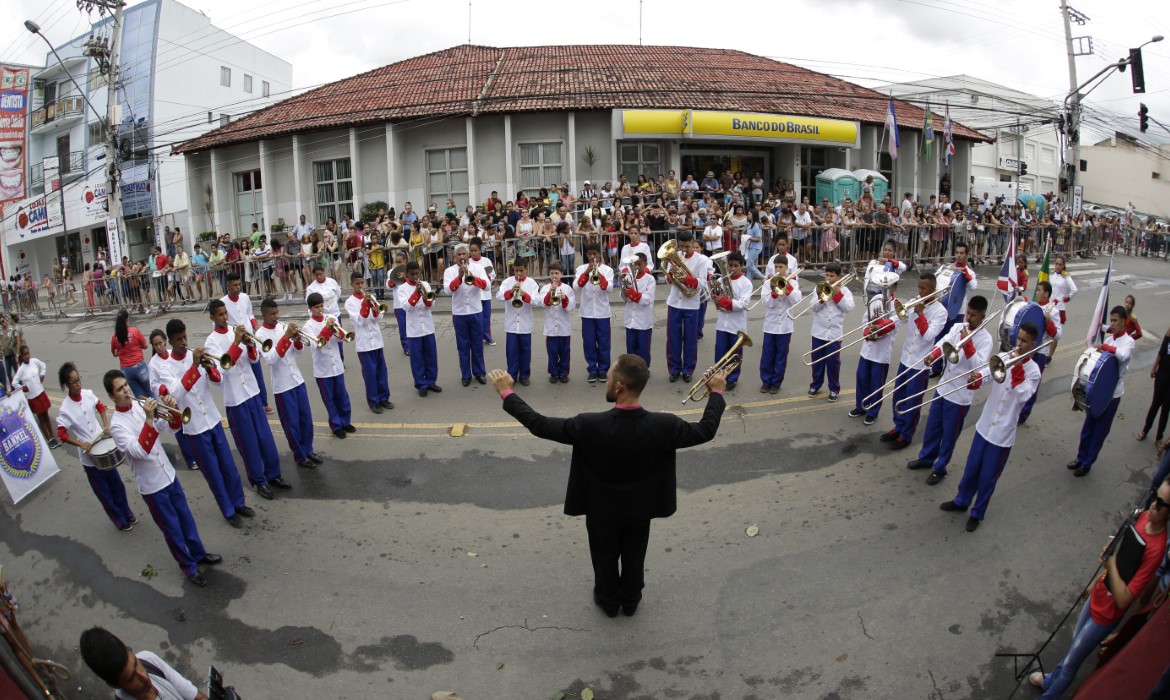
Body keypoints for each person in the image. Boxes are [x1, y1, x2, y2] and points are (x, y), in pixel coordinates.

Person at [490, 354, 727, 617]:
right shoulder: (665, 425)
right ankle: (631, 599)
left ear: (619, 387)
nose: (606, 381)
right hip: (640, 509)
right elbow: (706, 430)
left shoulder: (589, 425)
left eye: (610, 377)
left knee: (604, 558)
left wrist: (506, 392)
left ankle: (608, 600)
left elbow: (539, 424)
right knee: (635, 556)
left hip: (601, 510)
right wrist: (716, 392)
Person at [1027, 479, 1170, 698]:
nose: (1153, 505)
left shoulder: (1157, 548)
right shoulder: (1141, 518)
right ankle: (1050, 681)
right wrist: (1098, 580)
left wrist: (1111, 565)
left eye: (1161, 503)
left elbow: (1124, 600)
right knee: (1074, 642)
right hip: (1101, 593)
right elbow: (1120, 556)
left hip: (1108, 613)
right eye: (1155, 497)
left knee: (1071, 663)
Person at [104, 370, 220, 586]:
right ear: (111, 396)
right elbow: (139, 451)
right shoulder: (118, 426)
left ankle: (199, 553)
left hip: (168, 474)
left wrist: (173, 410)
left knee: (186, 518)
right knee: (172, 529)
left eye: (126, 386)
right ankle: (189, 567)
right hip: (152, 486)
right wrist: (149, 417)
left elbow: (167, 427)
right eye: (119, 389)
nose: (126, 391)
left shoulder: (139, 405)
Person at [940, 322, 1042, 531]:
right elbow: (988, 374)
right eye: (1018, 339)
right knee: (972, 468)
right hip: (985, 425)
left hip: (1002, 434)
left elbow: (1023, 395)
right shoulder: (1005, 357)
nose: (1019, 344)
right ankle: (961, 501)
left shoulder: (1034, 372)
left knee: (988, 477)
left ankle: (977, 512)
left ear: (1033, 344)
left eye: (1024, 341)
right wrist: (976, 379)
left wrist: (1018, 370)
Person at [159, 320, 253, 527]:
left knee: (228, 465)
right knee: (213, 473)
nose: (184, 342)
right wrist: (194, 366)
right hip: (194, 428)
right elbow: (176, 393)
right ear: (170, 342)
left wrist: (210, 369)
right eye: (179, 340)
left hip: (212, 419)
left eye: (185, 337)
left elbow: (218, 382)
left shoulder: (199, 357)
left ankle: (239, 502)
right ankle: (228, 510)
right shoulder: (166, 368)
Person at [203, 300, 289, 499]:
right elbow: (223, 367)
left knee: (265, 437)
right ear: (212, 318)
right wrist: (236, 343)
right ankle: (258, 481)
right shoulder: (211, 342)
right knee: (248, 443)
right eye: (220, 315)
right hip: (235, 399)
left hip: (252, 391)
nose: (225, 317)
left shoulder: (237, 332)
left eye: (226, 313)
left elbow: (254, 359)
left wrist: (250, 345)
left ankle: (273, 474)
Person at [906, 296, 993, 484]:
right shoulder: (958, 328)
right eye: (968, 313)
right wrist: (933, 355)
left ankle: (940, 467)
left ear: (982, 317)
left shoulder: (986, 339)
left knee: (949, 435)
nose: (968, 318)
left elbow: (979, 366)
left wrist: (967, 344)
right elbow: (943, 342)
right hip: (943, 386)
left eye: (973, 315)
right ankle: (926, 458)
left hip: (960, 395)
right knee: (932, 426)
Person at [56, 363, 136, 531]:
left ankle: (127, 512)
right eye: (74, 382)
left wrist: (105, 425)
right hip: (89, 457)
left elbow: (100, 407)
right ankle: (119, 520)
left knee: (117, 484)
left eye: (79, 379)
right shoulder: (65, 409)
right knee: (104, 491)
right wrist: (80, 443)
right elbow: (62, 435)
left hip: (103, 447)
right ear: (66, 385)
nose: (79, 384)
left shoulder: (88, 394)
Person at [883, 273, 947, 450]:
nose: (920, 291)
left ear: (933, 290)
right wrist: (882, 326)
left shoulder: (941, 311)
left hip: (920, 364)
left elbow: (929, 336)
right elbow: (899, 320)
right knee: (898, 396)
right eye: (919, 287)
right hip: (905, 358)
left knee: (912, 401)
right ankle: (898, 426)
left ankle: (906, 435)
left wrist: (920, 314)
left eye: (924, 288)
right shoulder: (914, 301)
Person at [1069, 306, 1135, 477]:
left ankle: (1087, 463)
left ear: (1123, 321)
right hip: (1099, 392)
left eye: (1115, 321)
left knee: (1099, 431)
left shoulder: (1128, 341)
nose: (1112, 324)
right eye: (1111, 320)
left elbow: (1123, 355)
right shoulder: (1111, 339)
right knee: (1088, 427)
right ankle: (1080, 457)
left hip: (1112, 395)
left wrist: (1106, 347)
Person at [255, 299, 322, 468]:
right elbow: (270, 359)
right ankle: (299, 455)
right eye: (272, 314)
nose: (276, 316)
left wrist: (297, 339)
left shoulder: (282, 327)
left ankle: (308, 449)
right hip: (282, 386)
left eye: (277, 313)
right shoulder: (260, 335)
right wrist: (286, 338)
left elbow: (298, 352)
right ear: (264, 314)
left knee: (306, 419)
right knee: (292, 425)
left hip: (297, 380)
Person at [80, 626, 211, 699]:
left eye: (136, 664)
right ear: (115, 685)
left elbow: (196, 696)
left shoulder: (148, 660)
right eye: (132, 678)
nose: (144, 677)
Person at [302, 292, 357, 437]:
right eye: (317, 307)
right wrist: (327, 329)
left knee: (342, 396)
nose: (320, 309)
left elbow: (341, 339)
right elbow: (316, 345)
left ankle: (345, 421)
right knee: (330, 399)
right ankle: (336, 425)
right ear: (310, 308)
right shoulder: (308, 326)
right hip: (323, 369)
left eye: (321, 306)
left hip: (337, 366)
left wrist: (339, 332)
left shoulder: (331, 318)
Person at [220, 272, 273, 415]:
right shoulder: (223, 302)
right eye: (235, 285)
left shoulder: (245, 297)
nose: (238, 287)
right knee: (243, 374)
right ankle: (250, 402)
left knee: (258, 373)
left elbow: (250, 315)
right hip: (237, 342)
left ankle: (264, 402)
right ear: (228, 286)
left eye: (239, 284)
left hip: (250, 340)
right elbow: (222, 324)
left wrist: (256, 327)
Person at [849, 283, 900, 425]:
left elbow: (895, 324)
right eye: (883, 287)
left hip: (882, 351)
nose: (884, 291)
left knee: (876, 383)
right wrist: (867, 331)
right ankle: (861, 406)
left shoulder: (897, 305)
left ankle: (873, 411)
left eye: (888, 288)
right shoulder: (876, 299)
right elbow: (866, 318)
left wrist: (879, 330)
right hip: (867, 348)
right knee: (862, 377)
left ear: (894, 288)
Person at [344, 273, 394, 412]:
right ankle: (373, 401)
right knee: (370, 373)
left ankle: (384, 398)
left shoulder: (371, 297)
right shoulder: (349, 302)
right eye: (357, 284)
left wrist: (373, 307)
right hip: (364, 343)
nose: (360, 286)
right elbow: (360, 320)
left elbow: (379, 318)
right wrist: (366, 304)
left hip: (377, 341)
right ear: (352, 285)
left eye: (362, 283)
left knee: (381, 371)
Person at [664, 232, 710, 383]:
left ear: (692, 243)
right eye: (681, 246)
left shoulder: (702, 260)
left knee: (690, 339)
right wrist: (670, 277)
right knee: (673, 338)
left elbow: (703, 282)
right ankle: (674, 369)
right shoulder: (674, 255)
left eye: (687, 246)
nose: (684, 249)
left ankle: (688, 370)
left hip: (691, 304)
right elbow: (668, 279)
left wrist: (688, 279)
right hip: (674, 302)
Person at [807, 262, 855, 402]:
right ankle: (815, 385)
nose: (828, 278)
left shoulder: (845, 291)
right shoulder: (819, 288)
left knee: (833, 363)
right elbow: (813, 308)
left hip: (834, 334)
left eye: (832, 276)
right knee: (817, 361)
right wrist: (821, 297)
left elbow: (848, 307)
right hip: (818, 332)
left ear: (838, 277)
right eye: (826, 275)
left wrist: (836, 294)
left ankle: (834, 389)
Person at [1017, 281, 1063, 425]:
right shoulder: (1034, 306)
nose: (1037, 293)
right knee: (1018, 379)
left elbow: (1058, 335)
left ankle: (1023, 415)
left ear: (1047, 294)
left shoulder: (1053, 311)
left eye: (1040, 290)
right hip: (1026, 350)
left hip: (1040, 352)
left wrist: (1048, 323)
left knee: (1032, 384)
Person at [444, 244, 489, 387]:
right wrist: (459, 277)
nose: (462, 257)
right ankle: (466, 375)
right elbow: (447, 290)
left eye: (464, 254)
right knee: (463, 346)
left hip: (476, 311)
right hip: (459, 313)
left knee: (477, 344)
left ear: (468, 254)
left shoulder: (478, 268)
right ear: (454, 256)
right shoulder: (449, 271)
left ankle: (479, 373)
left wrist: (472, 277)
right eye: (459, 254)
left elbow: (486, 286)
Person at [930, 242, 978, 378]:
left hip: (958, 311)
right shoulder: (947, 267)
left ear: (967, 255)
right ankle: (936, 367)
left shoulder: (969, 272)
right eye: (957, 252)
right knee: (939, 336)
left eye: (962, 253)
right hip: (941, 308)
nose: (959, 255)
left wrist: (964, 273)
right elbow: (936, 278)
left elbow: (973, 286)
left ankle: (948, 368)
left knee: (951, 339)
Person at [396, 262, 441, 396]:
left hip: (427, 327)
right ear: (407, 274)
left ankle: (431, 382)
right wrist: (416, 293)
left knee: (431, 356)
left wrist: (424, 293)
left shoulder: (425, 285)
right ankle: (421, 384)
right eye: (413, 274)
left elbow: (431, 305)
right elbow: (406, 307)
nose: (416, 276)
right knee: (417, 359)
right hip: (414, 329)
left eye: (417, 273)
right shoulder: (402, 289)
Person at [758, 258, 802, 394]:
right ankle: (766, 381)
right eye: (776, 267)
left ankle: (776, 383)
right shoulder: (768, 283)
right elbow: (766, 302)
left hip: (785, 326)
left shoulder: (793, 282)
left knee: (781, 356)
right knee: (767, 355)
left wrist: (788, 288)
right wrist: (773, 293)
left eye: (781, 267)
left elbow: (797, 300)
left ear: (787, 268)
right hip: (770, 325)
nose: (778, 270)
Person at [711, 252, 753, 391]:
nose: (732, 268)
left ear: (741, 266)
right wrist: (714, 294)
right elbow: (716, 299)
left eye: (736, 266)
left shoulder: (746, 283)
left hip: (736, 325)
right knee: (720, 351)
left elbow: (744, 304)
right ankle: (719, 376)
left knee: (735, 354)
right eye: (730, 265)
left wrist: (726, 302)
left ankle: (732, 378)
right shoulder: (722, 280)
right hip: (722, 323)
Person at [574, 243, 614, 384]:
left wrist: (598, 273)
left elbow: (608, 288)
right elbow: (576, 287)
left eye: (595, 254)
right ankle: (592, 369)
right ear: (586, 255)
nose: (592, 257)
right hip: (587, 313)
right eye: (590, 254)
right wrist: (586, 273)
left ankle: (603, 370)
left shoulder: (607, 270)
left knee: (604, 342)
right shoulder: (581, 269)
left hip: (603, 313)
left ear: (599, 254)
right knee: (589, 343)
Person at [497, 258, 540, 385]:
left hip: (525, 324)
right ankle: (512, 375)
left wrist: (524, 294)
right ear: (513, 269)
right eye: (516, 271)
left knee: (525, 351)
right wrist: (511, 292)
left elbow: (537, 301)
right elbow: (499, 296)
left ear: (526, 269)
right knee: (511, 351)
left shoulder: (532, 283)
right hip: (511, 324)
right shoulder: (507, 282)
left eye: (521, 270)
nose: (518, 274)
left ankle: (524, 375)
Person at [12, 344, 57, 447]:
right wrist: (23, 388)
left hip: (41, 393)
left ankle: (53, 436)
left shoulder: (34, 361)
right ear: (21, 356)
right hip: (33, 397)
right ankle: (49, 440)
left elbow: (43, 366)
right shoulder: (21, 370)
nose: (27, 356)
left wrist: (42, 376)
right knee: (41, 419)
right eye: (24, 354)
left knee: (46, 416)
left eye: (28, 353)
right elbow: (14, 382)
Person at [540, 261, 576, 382]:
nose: (554, 276)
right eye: (552, 273)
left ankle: (564, 372)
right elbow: (544, 303)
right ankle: (554, 373)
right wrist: (550, 292)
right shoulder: (545, 288)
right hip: (551, 328)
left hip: (564, 327)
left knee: (565, 351)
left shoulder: (567, 288)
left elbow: (571, 307)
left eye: (556, 273)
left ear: (561, 273)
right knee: (552, 352)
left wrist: (564, 298)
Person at [620, 253, 655, 369]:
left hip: (643, 322)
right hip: (630, 320)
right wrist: (624, 292)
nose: (636, 267)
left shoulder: (650, 280)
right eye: (634, 265)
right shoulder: (628, 278)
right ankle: (632, 370)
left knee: (643, 348)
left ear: (645, 264)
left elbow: (646, 299)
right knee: (631, 348)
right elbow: (623, 298)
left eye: (639, 264)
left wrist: (631, 293)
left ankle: (644, 369)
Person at [305, 264, 345, 360]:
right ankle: (328, 359)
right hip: (321, 317)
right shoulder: (311, 288)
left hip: (335, 314)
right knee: (324, 339)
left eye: (321, 274)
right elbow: (309, 302)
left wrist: (333, 305)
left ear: (324, 272)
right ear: (314, 275)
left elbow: (338, 293)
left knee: (338, 339)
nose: (319, 276)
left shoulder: (332, 282)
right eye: (317, 275)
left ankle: (340, 359)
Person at [1140, 319, 1170, 443]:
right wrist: (1154, 367)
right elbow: (1162, 352)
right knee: (1155, 404)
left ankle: (1159, 437)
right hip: (1162, 374)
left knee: (1166, 408)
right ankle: (1145, 430)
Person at [110, 310, 152, 399]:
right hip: (139, 366)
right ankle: (157, 411)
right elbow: (145, 346)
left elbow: (114, 353)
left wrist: (121, 352)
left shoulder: (115, 337)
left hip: (126, 370)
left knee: (140, 396)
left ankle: (144, 412)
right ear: (127, 320)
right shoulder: (134, 331)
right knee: (150, 391)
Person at [469, 237, 496, 346]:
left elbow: (492, 275)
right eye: (471, 251)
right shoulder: (468, 262)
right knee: (475, 318)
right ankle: (476, 337)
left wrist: (486, 278)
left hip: (485, 295)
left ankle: (487, 335)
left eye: (476, 251)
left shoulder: (486, 261)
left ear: (480, 250)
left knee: (486, 317)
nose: (473, 253)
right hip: (473, 295)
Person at [1049, 255, 1077, 325]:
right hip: (1050, 305)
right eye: (1056, 264)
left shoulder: (1066, 276)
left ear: (1063, 266)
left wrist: (1068, 297)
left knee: (1056, 330)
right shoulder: (1051, 274)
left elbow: (1074, 289)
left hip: (1059, 306)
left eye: (1060, 264)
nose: (1058, 266)